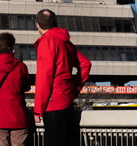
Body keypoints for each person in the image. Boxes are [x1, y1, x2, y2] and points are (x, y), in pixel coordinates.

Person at [33, 9, 92, 146]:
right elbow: (85, 65)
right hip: (66, 100)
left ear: (37, 25)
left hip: (53, 103)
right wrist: (73, 89)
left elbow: (44, 77)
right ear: (55, 22)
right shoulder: (65, 42)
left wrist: (38, 109)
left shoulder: (46, 42)